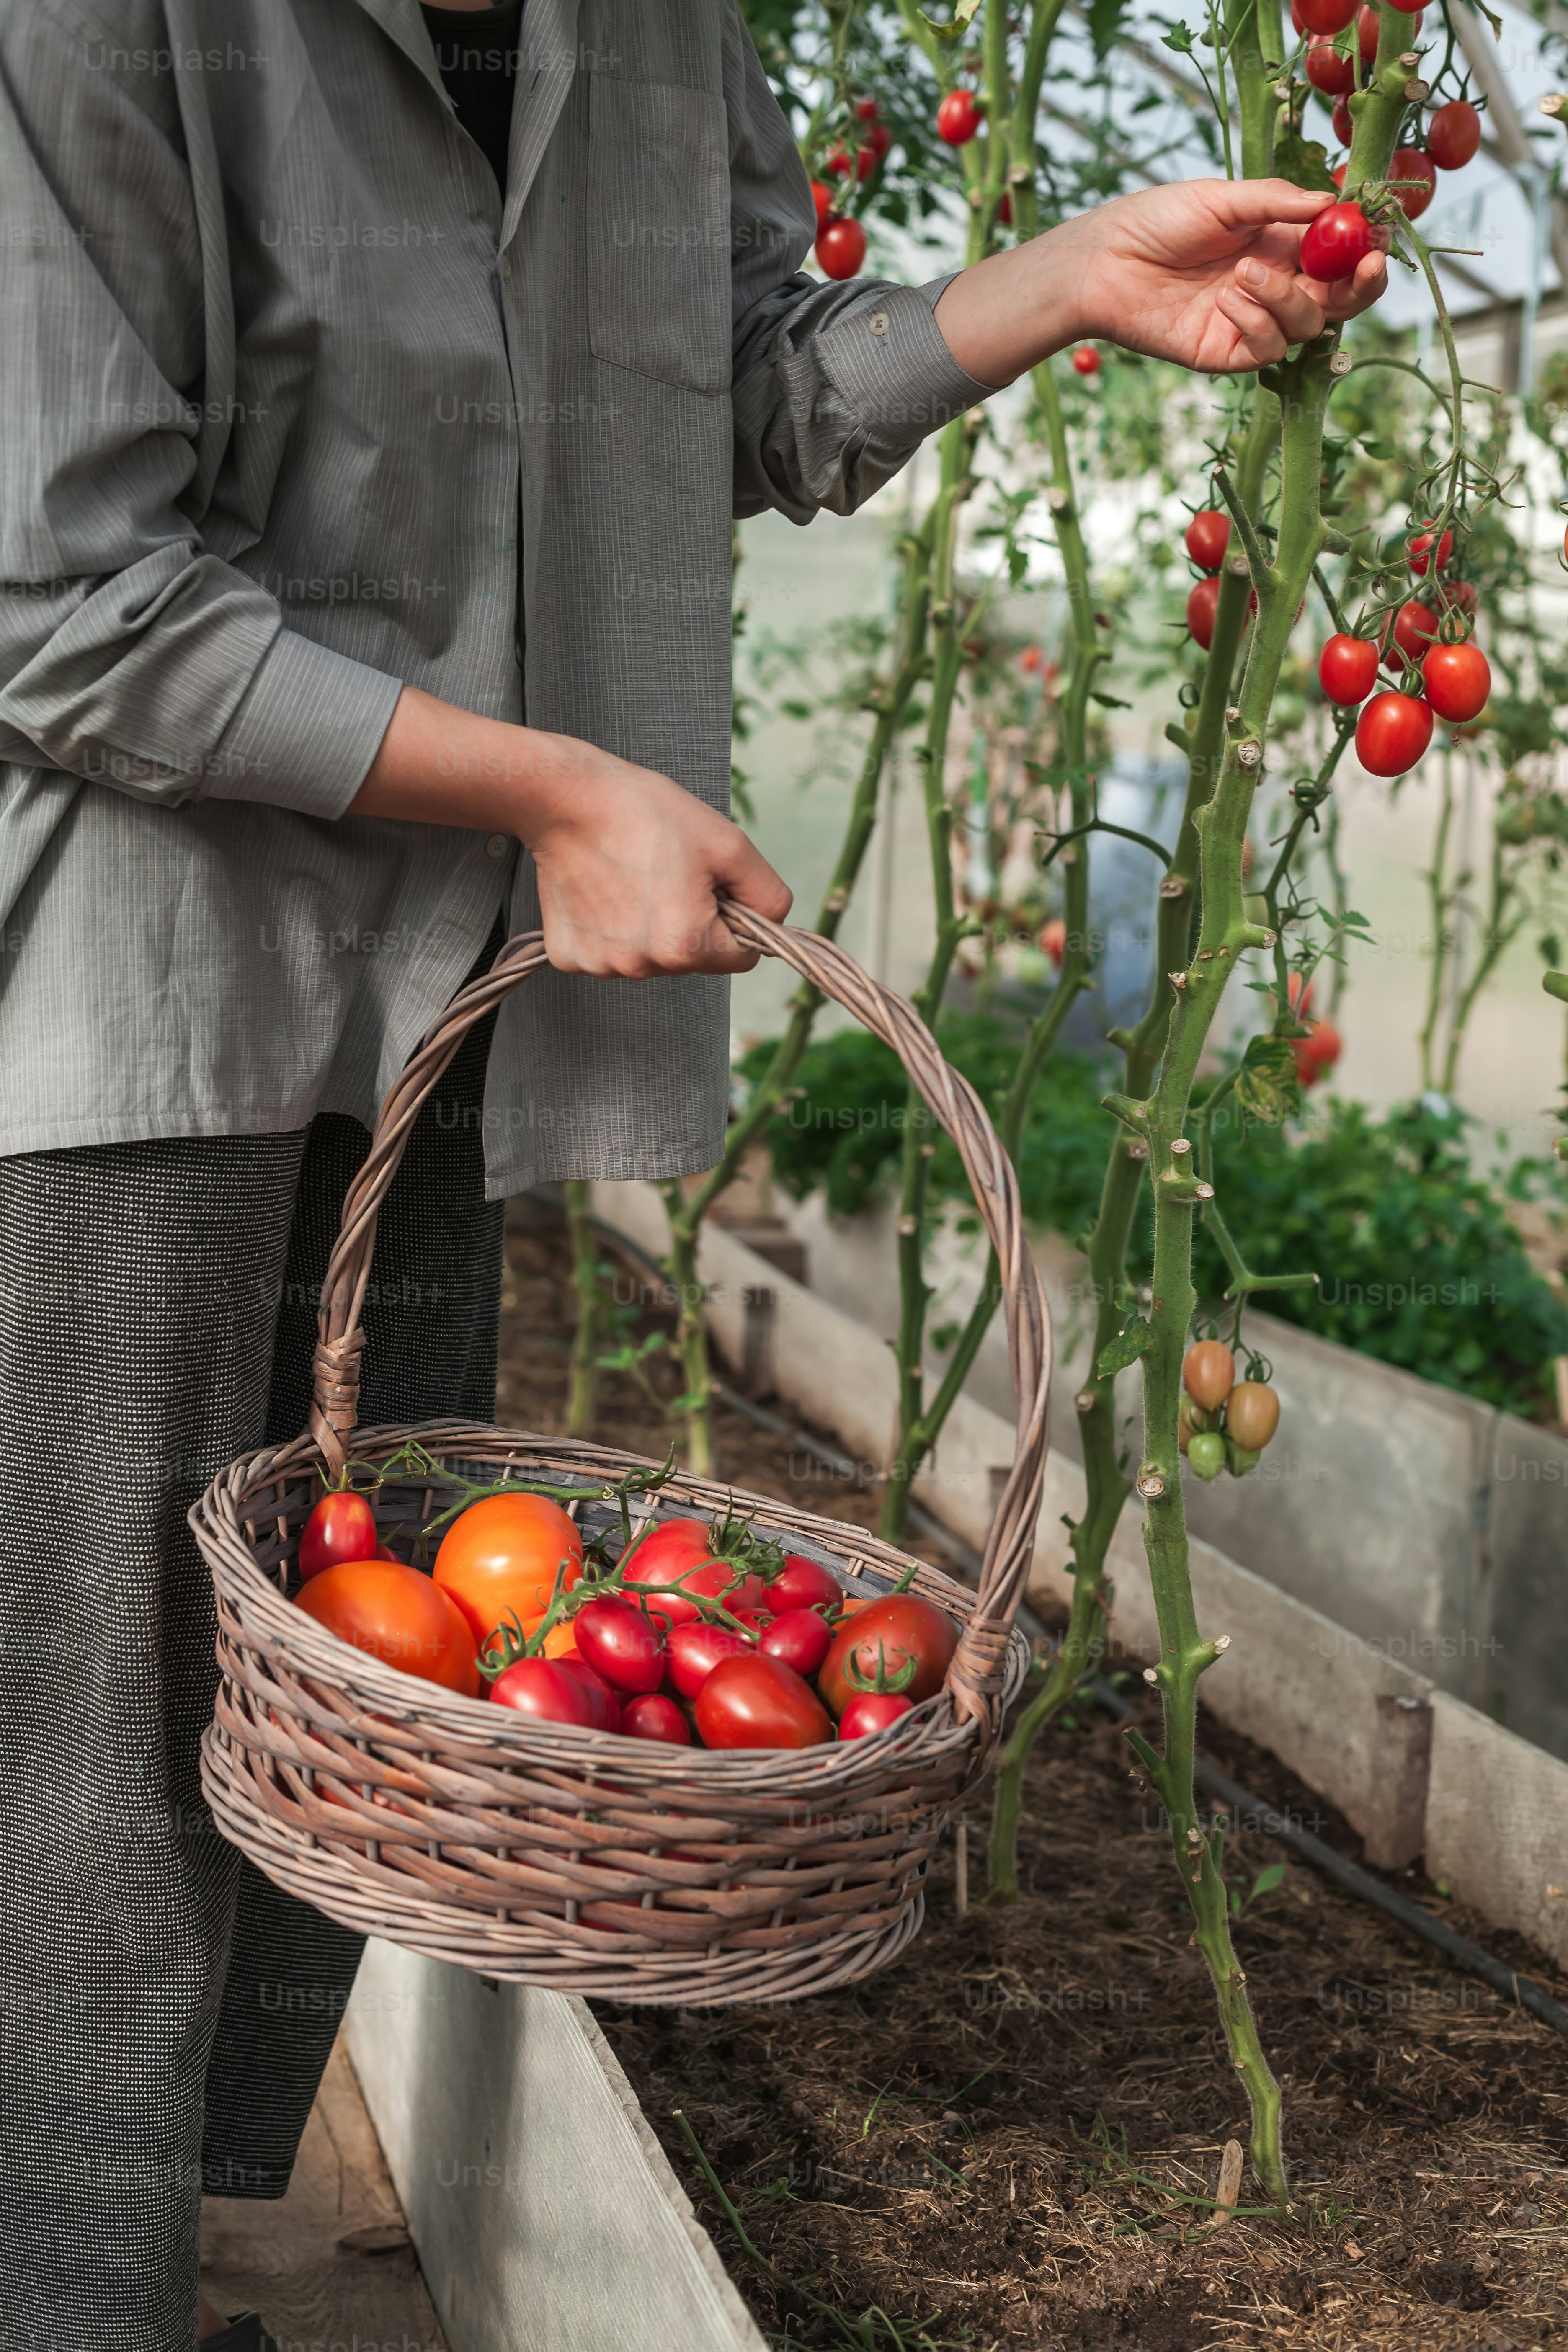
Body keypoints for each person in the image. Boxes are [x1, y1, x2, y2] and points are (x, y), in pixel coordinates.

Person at [0, 3, 1386, 2347]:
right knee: (84, 1752)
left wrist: (1062, 278)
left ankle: (118, 2269)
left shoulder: (645, 30)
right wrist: (558, 792)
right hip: (155, 988)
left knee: (341, 1705)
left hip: (453, 995)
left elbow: (733, 371)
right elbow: (66, 600)